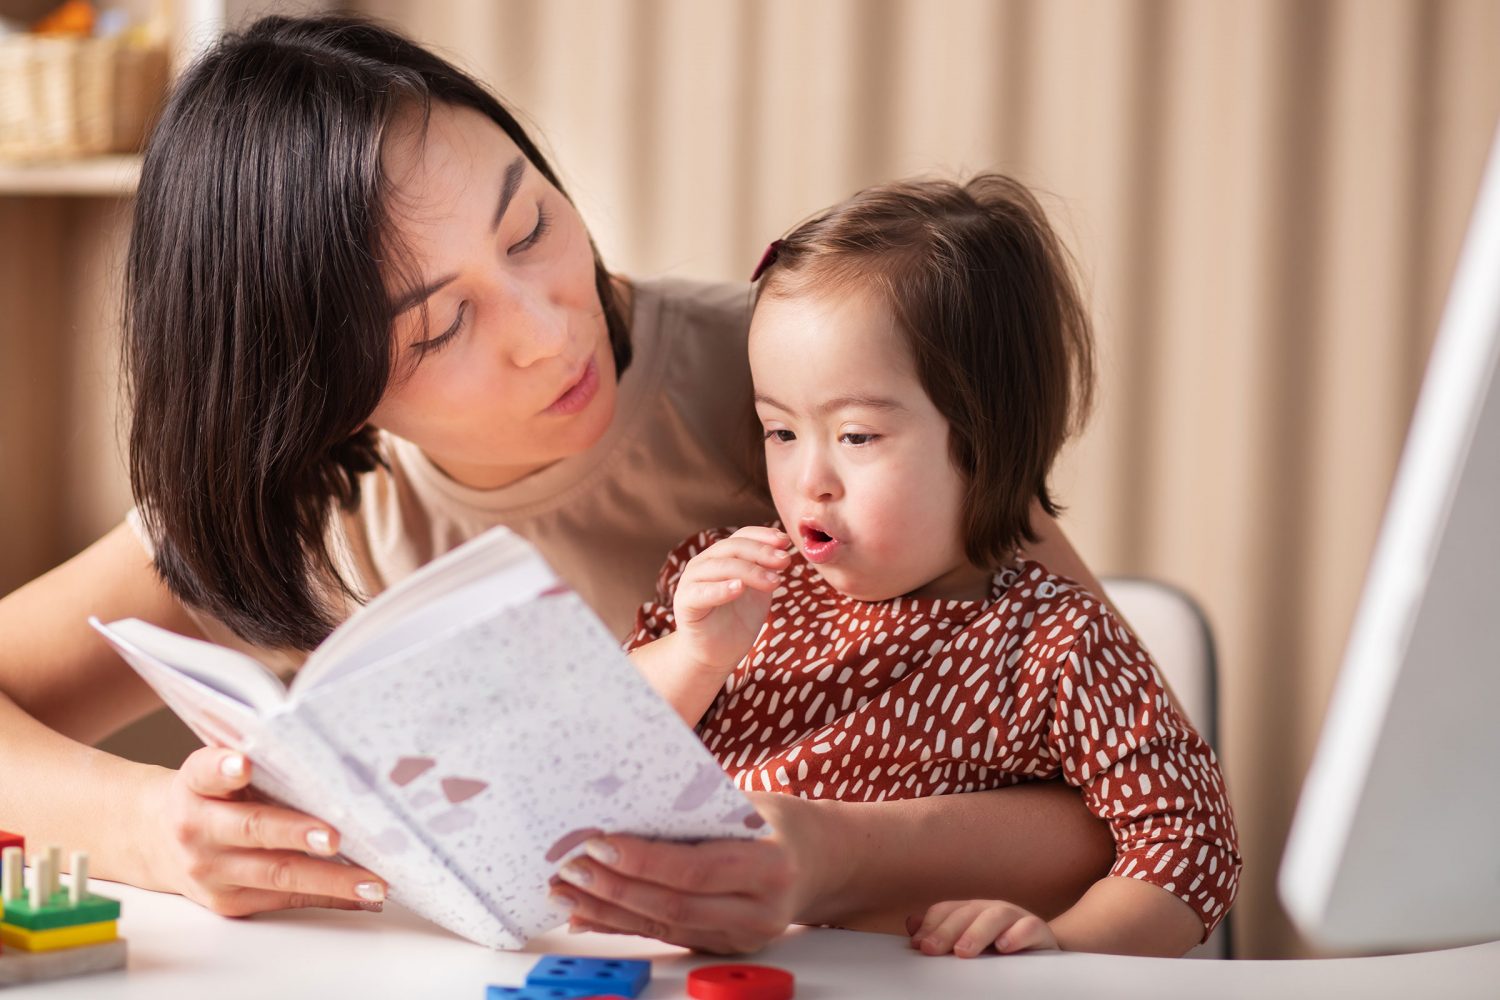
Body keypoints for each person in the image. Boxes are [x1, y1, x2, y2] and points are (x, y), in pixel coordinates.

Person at [0, 15, 1118, 954]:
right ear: (314, 389)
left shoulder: (808, 391)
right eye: (442, 327)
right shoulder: (302, 507)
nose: (549, 327)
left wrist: (830, 857)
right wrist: (156, 828)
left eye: (530, 223)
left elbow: (1131, 800)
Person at [619, 176, 1240, 956]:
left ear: (984, 445)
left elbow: (1192, 842)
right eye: (780, 431)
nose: (809, 479)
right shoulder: (726, 584)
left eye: (856, 437)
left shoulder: (1054, 641)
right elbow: (597, 760)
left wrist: (1059, 946)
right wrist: (692, 653)